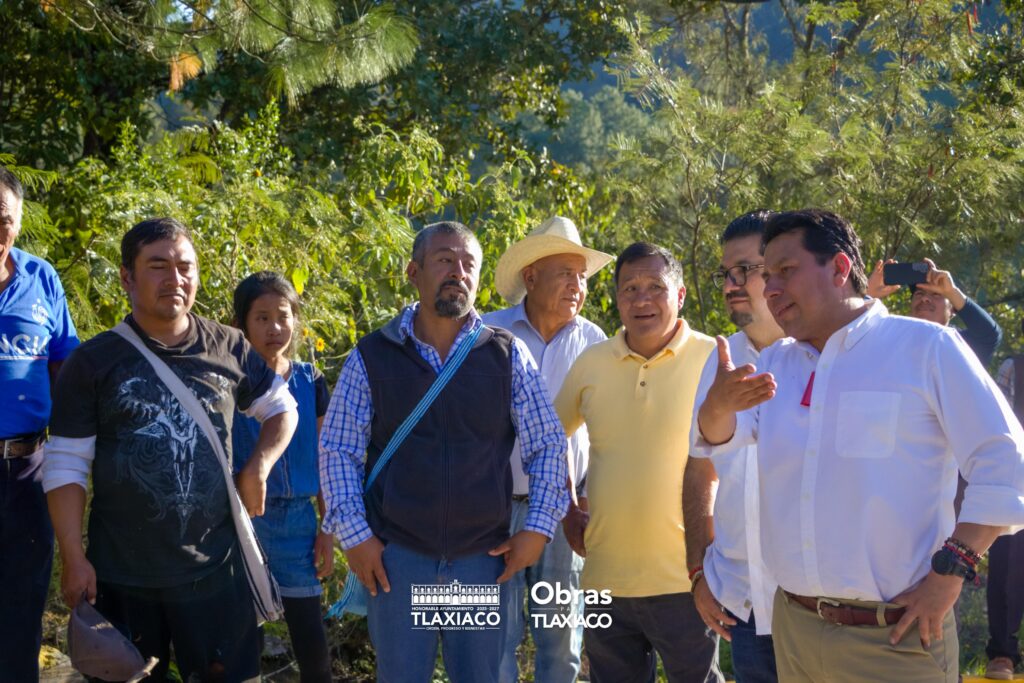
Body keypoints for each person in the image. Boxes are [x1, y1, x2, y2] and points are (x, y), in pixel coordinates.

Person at [695, 208, 1024, 683]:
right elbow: (717, 435)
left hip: (896, 638)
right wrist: (717, 405)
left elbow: (1006, 460)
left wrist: (953, 570)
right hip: (794, 632)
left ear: (840, 268)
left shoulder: (925, 348)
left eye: (785, 271)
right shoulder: (775, 364)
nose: (770, 289)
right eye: (767, 276)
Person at [43, 217, 299, 681]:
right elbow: (65, 465)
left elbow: (282, 407)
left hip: (216, 570)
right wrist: (73, 557)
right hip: (122, 575)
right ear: (127, 277)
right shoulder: (93, 362)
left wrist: (259, 465)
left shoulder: (228, 346)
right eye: (158, 266)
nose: (175, 279)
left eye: (185, 267)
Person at [318, 221, 570, 683]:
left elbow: (549, 444)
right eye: (444, 260)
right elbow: (338, 449)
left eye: (468, 263)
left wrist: (537, 528)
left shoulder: (506, 354)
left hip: (480, 562)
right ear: (413, 272)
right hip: (398, 561)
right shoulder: (373, 355)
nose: (458, 271)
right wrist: (355, 537)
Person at [554, 242, 722, 683]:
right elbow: (550, 438)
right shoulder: (591, 362)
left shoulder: (713, 359)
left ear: (680, 295)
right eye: (630, 288)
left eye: (655, 287)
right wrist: (566, 507)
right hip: (605, 579)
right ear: (617, 298)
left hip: (689, 578)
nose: (641, 299)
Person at [483, 216, 612, 683]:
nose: (578, 285)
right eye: (566, 274)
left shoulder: (595, 341)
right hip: (493, 510)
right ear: (531, 277)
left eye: (582, 276)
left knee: (561, 637)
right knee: (495, 635)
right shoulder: (488, 333)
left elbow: (604, 433)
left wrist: (589, 500)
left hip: (564, 510)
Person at [684, 210, 782, 683]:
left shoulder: (821, 355)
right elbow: (700, 468)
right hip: (743, 603)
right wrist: (698, 572)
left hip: (814, 607)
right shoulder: (719, 361)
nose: (730, 285)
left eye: (745, 270)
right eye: (725, 273)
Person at [232, 271, 334, 682]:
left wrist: (327, 529)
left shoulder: (311, 380)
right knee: (242, 644)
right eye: (261, 318)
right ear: (240, 323)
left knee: (312, 644)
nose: (275, 328)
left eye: (283, 316)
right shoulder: (230, 380)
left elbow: (328, 460)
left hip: (299, 527)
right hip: (242, 524)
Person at [0, 165, 80, 680]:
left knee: (22, 606)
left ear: (18, 220)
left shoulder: (41, 277)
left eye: (2, 218)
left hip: (28, 470)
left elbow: (65, 367)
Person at [867, 257, 1001, 365]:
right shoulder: (894, 336)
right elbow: (858, 335)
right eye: (919, 293)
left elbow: (989, 335)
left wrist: (951, 291)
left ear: (953, 309)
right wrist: (868, 294)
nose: (925, 298)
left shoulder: (958, 344)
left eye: (936, 294)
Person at [985, 341, 1024, 680]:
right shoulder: (1014, 368)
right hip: (1017, 483)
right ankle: (1002, 654)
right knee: (1007, 569)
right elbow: (999, 425)